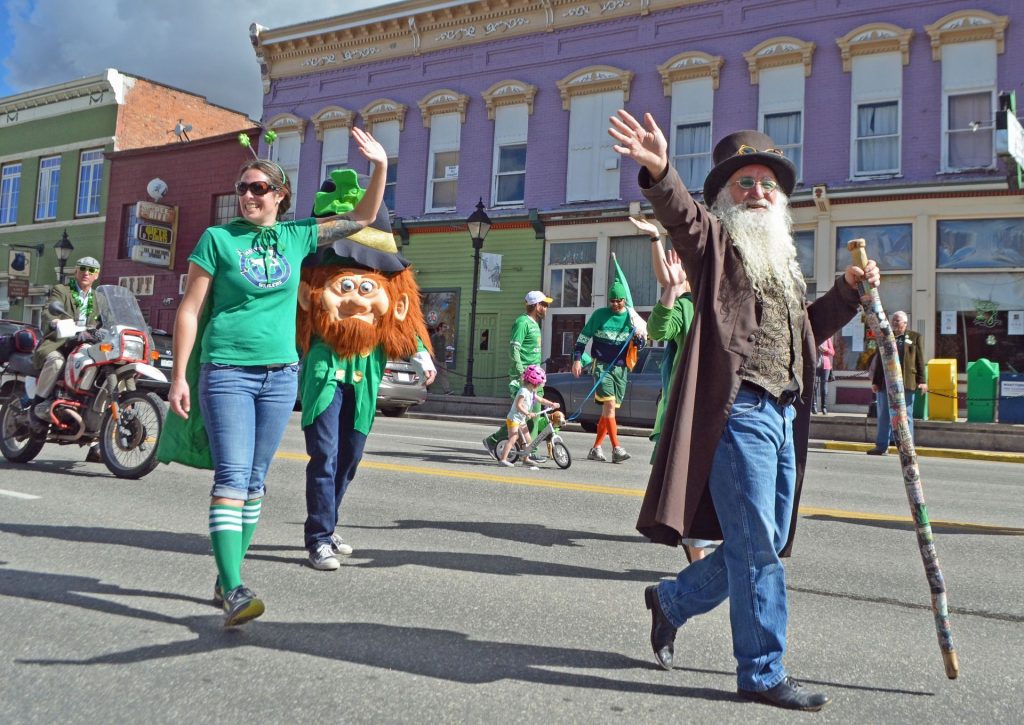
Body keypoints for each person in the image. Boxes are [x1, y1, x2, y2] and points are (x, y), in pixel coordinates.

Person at [609, 109, 879, 711]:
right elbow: (682, 217)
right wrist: (660, 170)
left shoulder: (782, 260)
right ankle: (761, 671)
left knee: (768, 538)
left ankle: (671, 602)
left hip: (783, 414)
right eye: (744, 183)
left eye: (767, 184)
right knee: (757, 545)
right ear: (725, 197)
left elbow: (802, 334)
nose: (759, 193)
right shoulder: (717, 245)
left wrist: (848, 295)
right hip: (739, 414)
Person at [159, 126, 389, 627]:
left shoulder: (298, 234)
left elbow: (364, 217)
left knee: (257, 481)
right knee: (232, 477)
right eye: (243, 188)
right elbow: (190, 310)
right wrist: (178, 375)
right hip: (227, 372)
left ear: (280, 196)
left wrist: (380, 167)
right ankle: (236, 587)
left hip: (280, 375)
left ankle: (226, 576)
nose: (247, 195)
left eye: (258, 188)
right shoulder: (217, 239)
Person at [297, 169, 435, 571]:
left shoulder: (394, 291)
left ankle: (329, 522)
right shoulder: (309, 282)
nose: (357, 297)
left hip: (367, 373)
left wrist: (421, 352)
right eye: (345, 284)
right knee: (323, 455)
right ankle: (318, 537)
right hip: (326, 372)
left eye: (366, 285)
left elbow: (406, 318)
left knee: (349, 458)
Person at [632, 215, 711, 563]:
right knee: (688, 484)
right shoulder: (686, 306)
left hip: (726, 409)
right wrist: (672, 289)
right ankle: (696, 560)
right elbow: (658, 330)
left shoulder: (726, 303)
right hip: (687, 410)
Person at [31, 256, 103, 462]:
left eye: (91, 270)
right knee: (57, 362)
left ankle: (98, 442)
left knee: (101, 375)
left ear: (97, 275)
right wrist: (55, 321)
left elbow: (107, 319)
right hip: (58, 344)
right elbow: (49, 310)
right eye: (82, 268)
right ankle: (38, 406)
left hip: (84, 348)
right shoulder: (62, 290)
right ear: (76, 271)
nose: (86, 272)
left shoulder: (98, 298)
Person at [571, 279, 644, 464]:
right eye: (612, 300)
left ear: (625, 300)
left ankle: (596, 448)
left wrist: (638, 339)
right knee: (610, 405)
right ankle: (616, 448)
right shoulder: (599, 315)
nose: (615, 304)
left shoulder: (631, 317)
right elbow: (582, 339)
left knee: (608, 411)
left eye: (619, 300)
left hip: (621, 368)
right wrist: (577, 360)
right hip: (601, 365)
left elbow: (640, 345)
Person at [482, 291, 552, 459]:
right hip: (525, 377)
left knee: (531, 416)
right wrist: (521, 372)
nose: (547, 308)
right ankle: (526, 450)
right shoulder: (522, 322)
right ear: (536, 306)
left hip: (536, 378)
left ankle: (521, 448)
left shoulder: (535, 324)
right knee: (526, 415)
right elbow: (515, 349)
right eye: (544, 304)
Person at [868, 310, 926, 455]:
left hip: (906, 382)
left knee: (907, 416)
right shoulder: (885, 336)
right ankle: (881, 446)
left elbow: (920, 360)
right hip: (885, 383)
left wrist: (922, 381)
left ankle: (908, 447)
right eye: (893, 320)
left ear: (905, 323)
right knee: (884, 415)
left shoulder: (915, 337)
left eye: (897, 321)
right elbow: (879, 362)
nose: (894, 323)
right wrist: (875, 381)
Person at [497, 364, 559, 467]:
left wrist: (551, 404)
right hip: (514, 419)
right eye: (538, 383)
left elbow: (540, 400)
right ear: (533, 382)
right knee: (513, 437)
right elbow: (518, 405)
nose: (538, 386)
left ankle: (525, 458)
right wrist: (528, 413)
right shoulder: (523, 391)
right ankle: (503, 459)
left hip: (521, 419)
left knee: (529, 440)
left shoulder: (531, 391)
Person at [428, 322, 451, 395]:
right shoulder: (434, 337)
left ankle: (447, 390)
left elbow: (443, 348)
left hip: (442, 359)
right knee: (432, 375)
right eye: (444, 327)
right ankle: (427, 389)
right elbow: (431, 348)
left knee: (444, 375)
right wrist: (433, 358)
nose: (445, 329)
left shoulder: (443, 338)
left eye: (445, 327)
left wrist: (447, 354)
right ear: (440, 328)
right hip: (435, 359)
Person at [814, 336, 835, 414]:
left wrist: (826, 349)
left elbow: (832, 352)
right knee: (814, 386)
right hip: (815, 363)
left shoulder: (827, 338)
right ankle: (814, 406)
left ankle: (824, 407)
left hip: (825, 365)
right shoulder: (813, 337)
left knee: (824, 387)